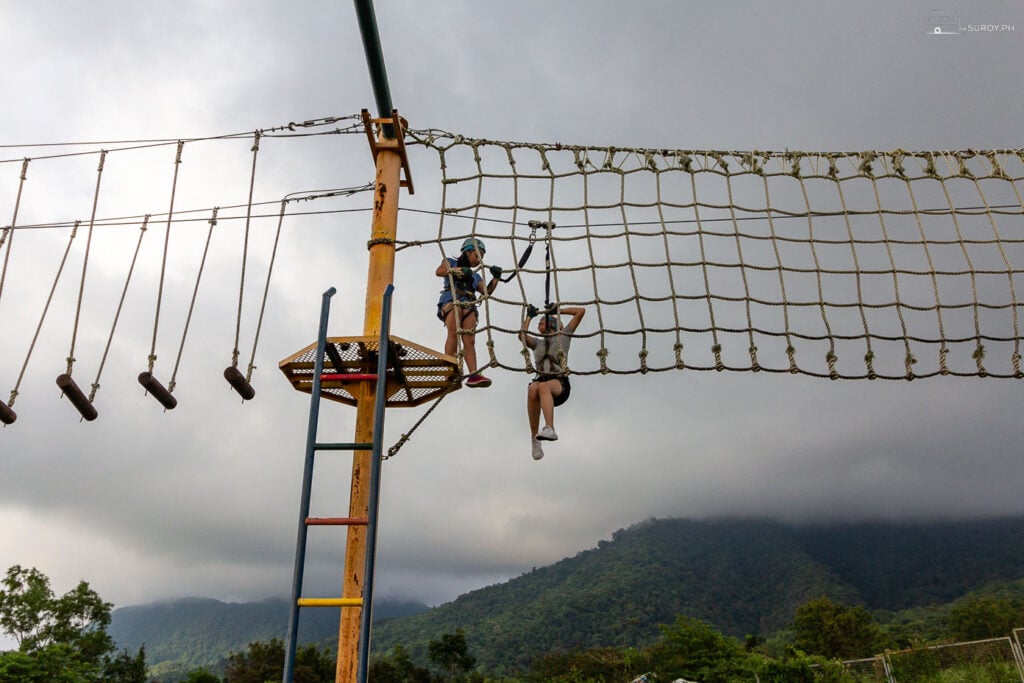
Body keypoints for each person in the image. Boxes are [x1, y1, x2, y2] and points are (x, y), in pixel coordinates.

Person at [519, 303, 585, 460]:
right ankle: (535, 439)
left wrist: (558, 311)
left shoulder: (564, 336)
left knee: (542, 386)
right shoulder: (537, 343)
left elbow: (580, 312)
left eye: (542, 321)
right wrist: (529, 316)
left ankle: (550, 427)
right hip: (541, 381)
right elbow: (521, 336)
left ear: (553, 323)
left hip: (559, 384)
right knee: (533, 389)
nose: (539, 324)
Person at [436, 237, 501, 387]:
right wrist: (458, 271)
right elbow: (440, 271)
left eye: (481, 258)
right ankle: (449, 369)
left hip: (469, 303)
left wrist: (496, 278)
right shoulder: (450, 262)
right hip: (452, 299)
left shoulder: (475, 276)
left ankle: (473, 374)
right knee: (453, 332)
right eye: (477, 256)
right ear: (467, 252)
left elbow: (486, 291)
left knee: (469, 340)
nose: (479, 260)